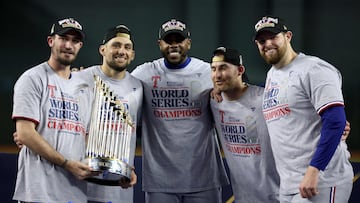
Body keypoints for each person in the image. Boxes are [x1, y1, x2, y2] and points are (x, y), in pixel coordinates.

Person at [253, 15, 354, 202]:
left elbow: (335, 121)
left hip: (321, 180)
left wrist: (315, 170)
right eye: (261, 40)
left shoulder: (314, 69)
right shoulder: (272, 75)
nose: (267, 44)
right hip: (289, 184)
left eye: (273, 37)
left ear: (288, 36)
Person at [131, 19, 229, 203]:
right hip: (160, 181)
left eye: (179, 40)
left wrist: (223, 87)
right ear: (160, 44)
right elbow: (117, 89)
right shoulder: (143, 74)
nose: (174, 45)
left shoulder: (208, 73)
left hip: (203, 179)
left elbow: (237, 91)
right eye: (169, 40)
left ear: (188, 43)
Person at [11, 17, 98, 202]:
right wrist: (67, 164)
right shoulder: (32, 78)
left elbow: (88, 136)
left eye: (75, 41)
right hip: (38, 192)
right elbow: (25, 133)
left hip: (75, 192)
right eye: (64, 38)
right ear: (51, 41)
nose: (69, 45)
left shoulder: (85, 87)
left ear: (80, 45)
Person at [75, 25, 142, 203]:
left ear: (133, 54)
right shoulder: (80, 78)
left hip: (119, 187)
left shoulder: (138, 86)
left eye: (127, 47)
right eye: (116, 45)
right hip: (79, 184)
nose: (121, 51)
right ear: (102, 50)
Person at [210, 46, 280, 202]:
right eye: (213, 69)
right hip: (243, 198)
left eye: (223, 68)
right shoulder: (214, 102)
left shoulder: (264, 99)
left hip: (278, 196)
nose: (217, 75)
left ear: (240, 70)